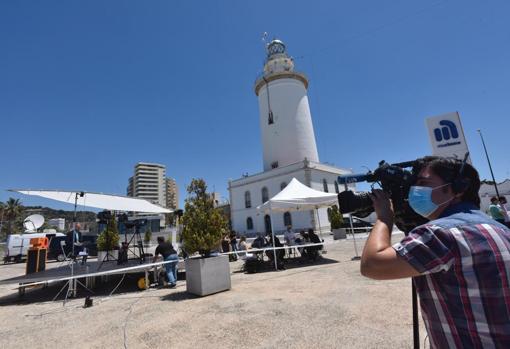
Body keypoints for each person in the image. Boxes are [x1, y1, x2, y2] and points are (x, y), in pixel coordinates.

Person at [360, 156, 510, 347]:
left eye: (424, 183)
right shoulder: (501, 229)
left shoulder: (440, 234)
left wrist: (384, 217)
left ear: (458, 188)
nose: (415, 191)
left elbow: (372, 265)